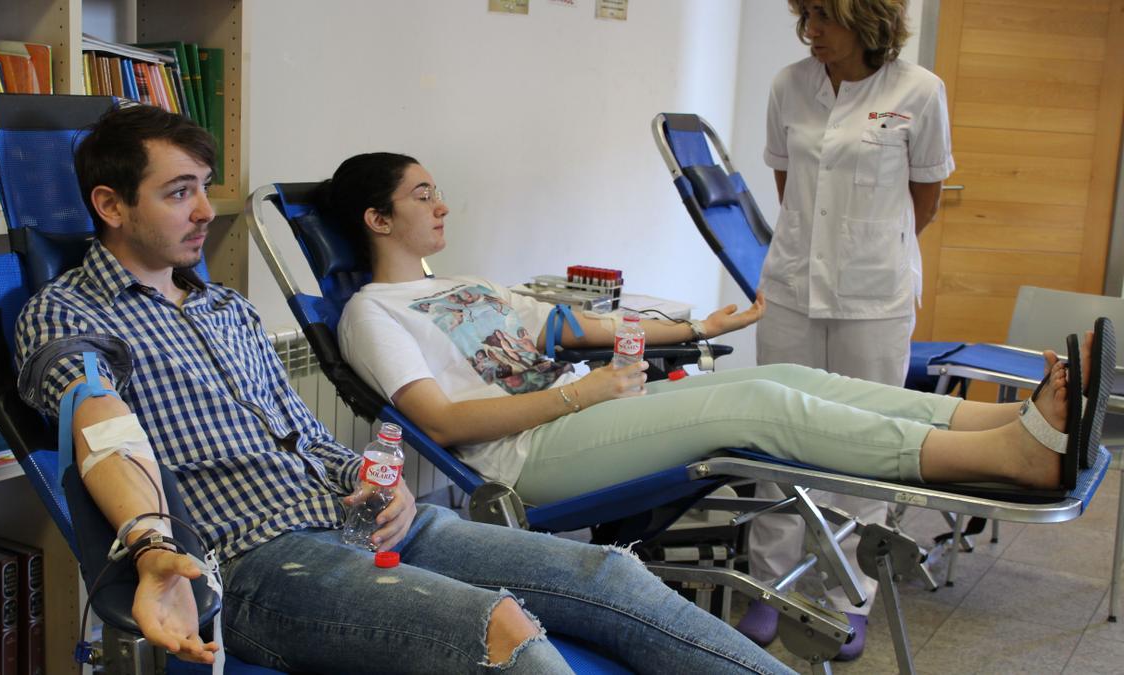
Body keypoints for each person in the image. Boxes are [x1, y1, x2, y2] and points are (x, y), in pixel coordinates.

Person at [12, 105, 797, 674]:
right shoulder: (67, 313)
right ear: (110, 206)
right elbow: (98, 422)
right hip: (258, 563)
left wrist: (366, 477)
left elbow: (304, 433)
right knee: (500, 628)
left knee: (614, 576)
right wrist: (151, 542)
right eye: (178, 191)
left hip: (367, 522)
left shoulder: (226, 306)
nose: (204, 210)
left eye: (205, 187)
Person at [332, 150, 1091, 527]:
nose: (443, 205)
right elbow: (440, 421)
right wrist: (582, 390)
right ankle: (1004, 457)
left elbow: (579, 326)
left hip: (576, 416)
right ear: (376, 218)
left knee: (798, 379)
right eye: (422, 195)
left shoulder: (466, 286)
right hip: (524, 461)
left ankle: (1007, 421)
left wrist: (697, 326)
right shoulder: (372, 312)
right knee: (759, 404)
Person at [742, 0, 955, 657]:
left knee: (861, 444)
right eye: (805, 17)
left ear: (866, 21)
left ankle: (846, 594)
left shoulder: (920, 91)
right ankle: (767, 585)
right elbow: (787, 182)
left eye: (824, 19)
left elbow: (926, 195)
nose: (812, 33)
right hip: (791, 289)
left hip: (875, 296)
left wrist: (872, 249)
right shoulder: (788, 84)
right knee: (774, 436)